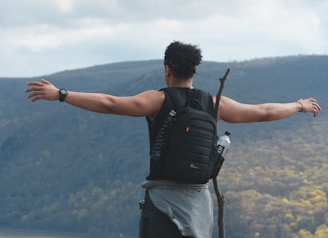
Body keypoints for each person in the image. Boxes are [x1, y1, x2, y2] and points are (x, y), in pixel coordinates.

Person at [25, 41, 321, 238]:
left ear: (167, 69)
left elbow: (110, 103)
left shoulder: (156, 101)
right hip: (199, 201)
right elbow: (265, 112)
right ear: (195, 70)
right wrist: (298, 105)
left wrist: (61, 94)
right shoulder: (214, 103)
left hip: (163, 199)